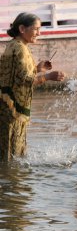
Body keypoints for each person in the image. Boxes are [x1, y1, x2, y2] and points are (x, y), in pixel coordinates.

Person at [0, 12, 65, 162]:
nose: (39, 33)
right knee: (11, 155)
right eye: (36, 29)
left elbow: (16, 75)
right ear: (22, 29)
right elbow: (25, 80)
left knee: (9, 152)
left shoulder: (15, 45)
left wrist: (37, 69)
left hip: (8, 107)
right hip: (13, 110)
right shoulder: (20, 49)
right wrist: (48, 77)